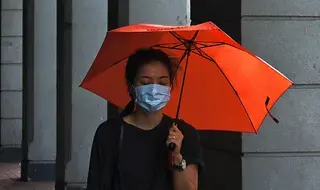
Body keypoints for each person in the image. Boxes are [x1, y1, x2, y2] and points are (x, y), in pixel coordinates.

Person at [86, 48, 203, 190]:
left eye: (162, 83)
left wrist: (176, 157)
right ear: (131, 87)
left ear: (170, 87)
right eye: (146, 83)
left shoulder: (183, 134)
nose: (154, 90)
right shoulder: (109, 133)